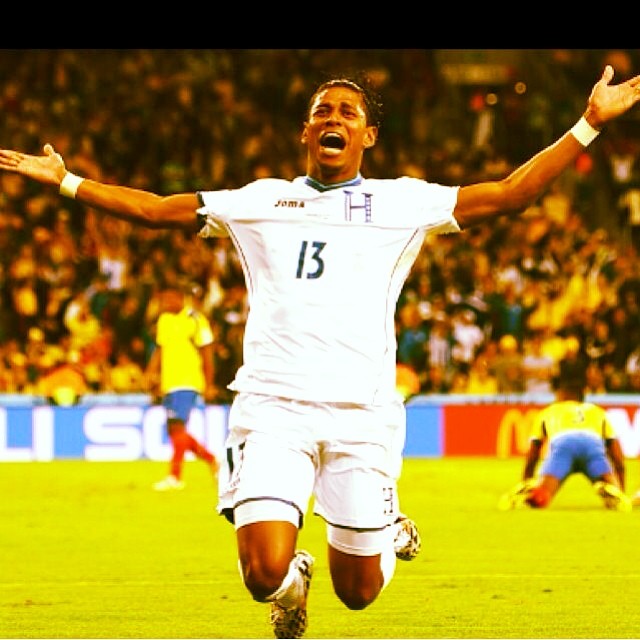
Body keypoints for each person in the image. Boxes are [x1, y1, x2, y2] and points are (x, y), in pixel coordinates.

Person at [0, 63, 639, 639]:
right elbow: (158, 211)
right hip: (273, 408)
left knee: (359, 593)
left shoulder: (402, 202)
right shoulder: (260, 201)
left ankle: (385, 526)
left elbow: (511, 192)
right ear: (306, 131)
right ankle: (290, 585)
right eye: (322, 111)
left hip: (362, 416)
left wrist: (588, 124)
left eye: (348, 112)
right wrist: (68, 181)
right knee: (262, 573)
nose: (334, 118)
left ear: (368, 137)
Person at [498, 357, 631, 511]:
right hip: (592, 446)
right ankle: (612, 490)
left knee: (540, 499)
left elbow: (533, 453)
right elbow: (616, 455)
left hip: (564, 447)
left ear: (563, 395)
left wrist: (526, 480)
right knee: (614, 495)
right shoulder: (597, 411)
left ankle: (532, 493)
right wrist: (622, 490)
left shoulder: (549, 411)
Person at [145, 285, 220, 491]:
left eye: (170, 299)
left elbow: (207, 353)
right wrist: (151, 372)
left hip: (188, 380)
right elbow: (160, 349)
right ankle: (212, 460)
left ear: (181, 298)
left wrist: (209, 384)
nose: (166, 304)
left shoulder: (196, 320)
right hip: (169, 382)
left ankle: (175, 477)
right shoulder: (164, 320)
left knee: (177, 426)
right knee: (174, 430)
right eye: (163, 300)